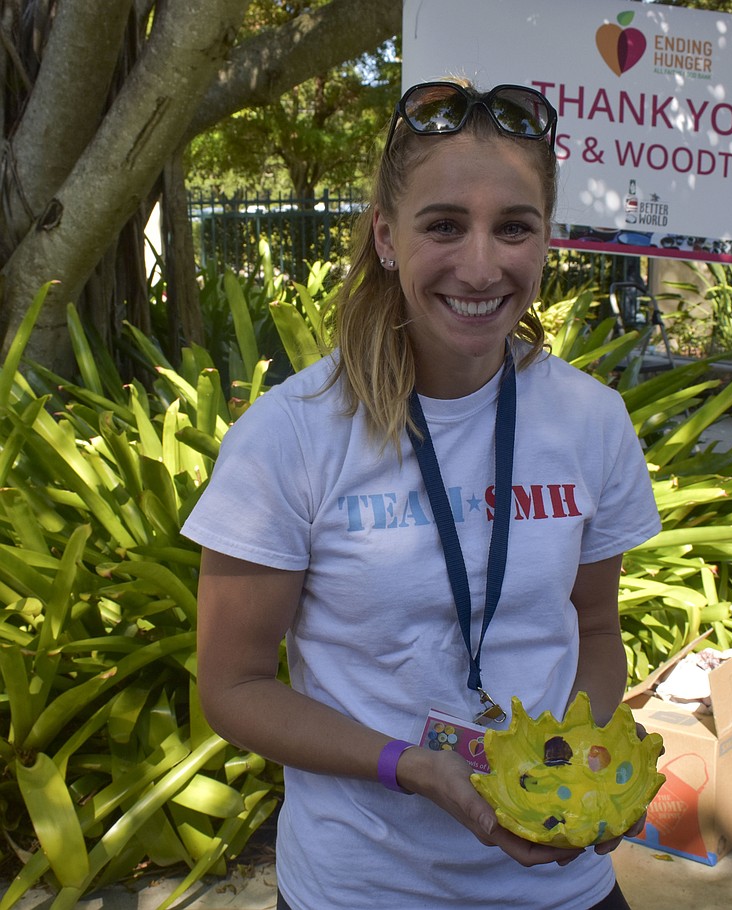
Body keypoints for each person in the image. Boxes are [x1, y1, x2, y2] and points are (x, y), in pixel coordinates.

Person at [181, 79, 662, 910]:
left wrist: (572, 778)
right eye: (444, 225)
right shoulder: (291, 435)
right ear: (387, 237)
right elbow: (234, 686)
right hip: (362, 885)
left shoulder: (591, 420)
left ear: (547, 240)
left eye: (515, 228)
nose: (482, 266)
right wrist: (413, 767)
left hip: (564, 883)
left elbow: (593, 628)